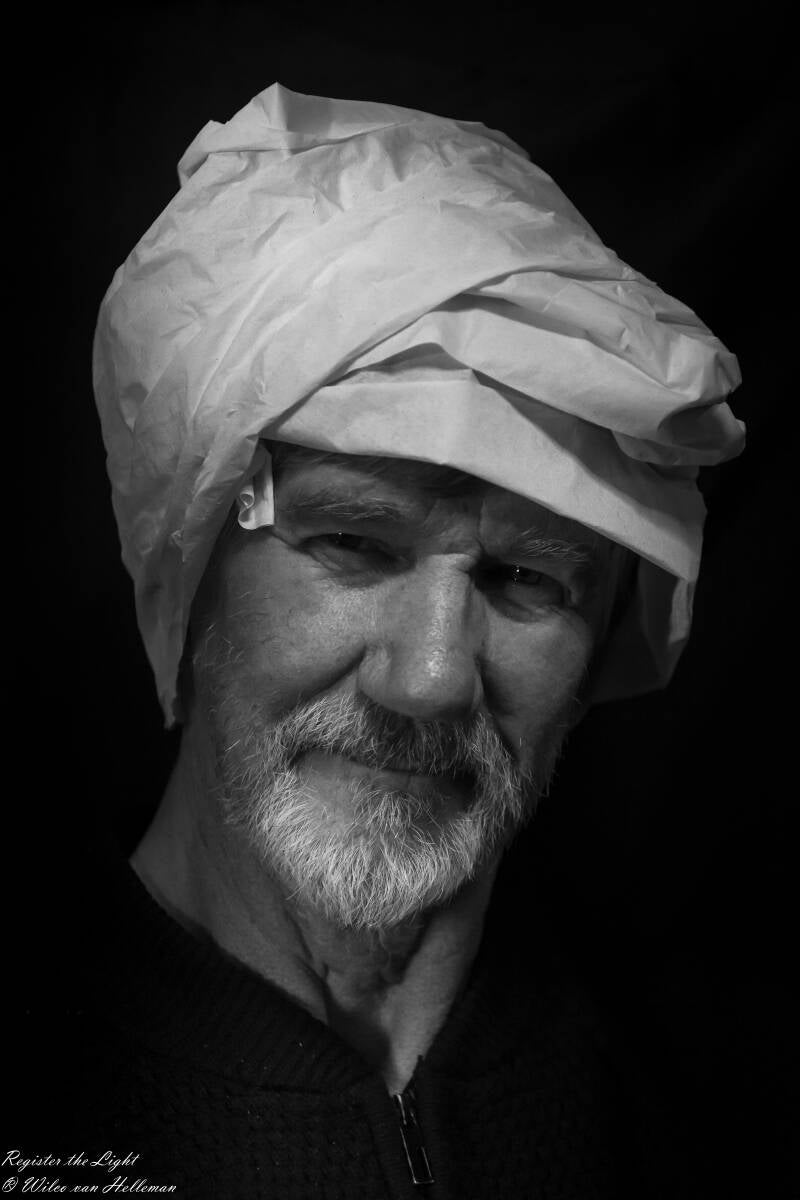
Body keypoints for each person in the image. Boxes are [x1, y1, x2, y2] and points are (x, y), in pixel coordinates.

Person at [19, 84, 743, 1198]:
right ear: (190, 560)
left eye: (526, 578)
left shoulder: (715, 1099)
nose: (431, 677)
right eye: (354, 542)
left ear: (607, 632)